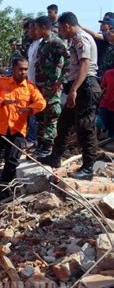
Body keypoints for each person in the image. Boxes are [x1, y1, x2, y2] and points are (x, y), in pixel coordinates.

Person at [39, 12, 103, 180]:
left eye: (60, 28)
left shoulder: (81, 39)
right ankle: (55, 157)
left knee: (85, 127)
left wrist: (74, 89)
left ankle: (89, 167)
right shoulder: (75, 39)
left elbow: (85, 64)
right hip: (79, 85)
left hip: (86, 86)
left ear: (67, 25)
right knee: (64, 123)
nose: (59, 32)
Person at [0, 57, 46, 203]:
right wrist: (2, 101)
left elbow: (41, 102)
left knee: (12, 161)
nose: (23, 72)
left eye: (26, 69)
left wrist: (30, 109)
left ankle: (3, 190)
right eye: (20, 69)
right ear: (14, 69)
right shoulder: (2, 83)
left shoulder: (30, 87)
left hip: (17, 130)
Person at [33, 16, 70, 157]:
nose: (35, 31)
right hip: (41, 85)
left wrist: (61, 80)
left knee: (51, 114)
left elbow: (69, 59)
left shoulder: (56, 41)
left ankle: (48, 146)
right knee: (41, 115)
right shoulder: (43, 43)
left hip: (52, 85)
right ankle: (41, 143)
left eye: (36, 27)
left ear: (43, 27)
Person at [98, 67, 114, 139]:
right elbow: (102, 87)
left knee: (112, 135)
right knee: (98, 122)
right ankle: (91, 144)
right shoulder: (108, 73)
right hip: (105, 104)